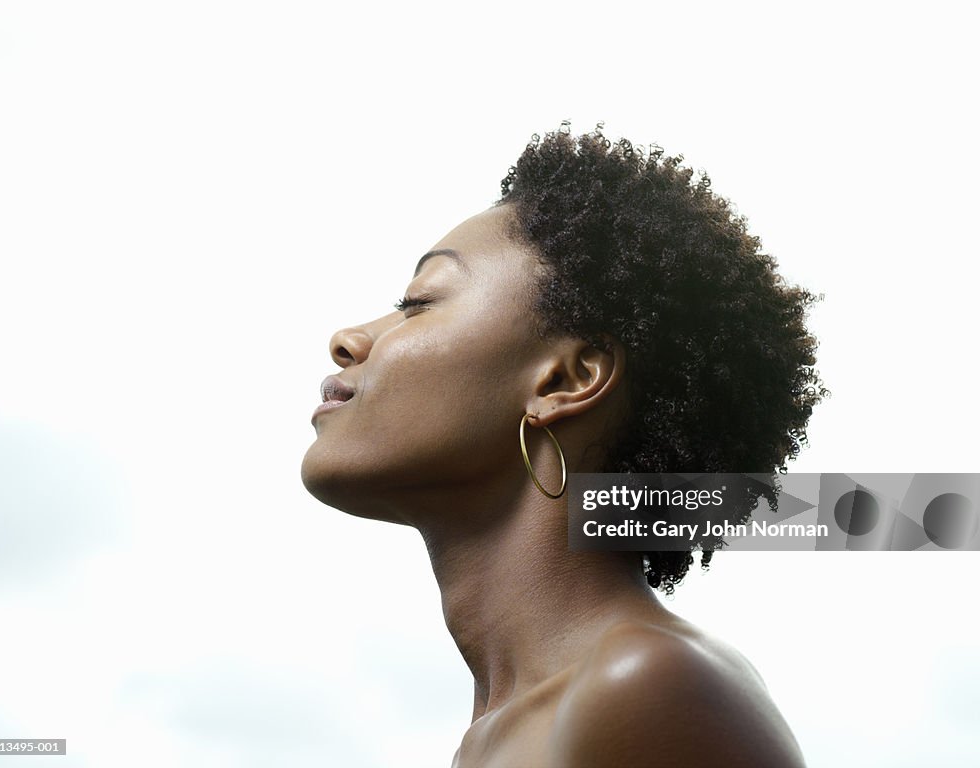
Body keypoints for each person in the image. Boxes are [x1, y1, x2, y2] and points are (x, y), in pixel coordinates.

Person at [301, 122, 824, 767]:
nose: (348, 339)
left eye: (419, 303)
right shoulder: (506, 730)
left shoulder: (644, 689)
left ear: (566, 379)